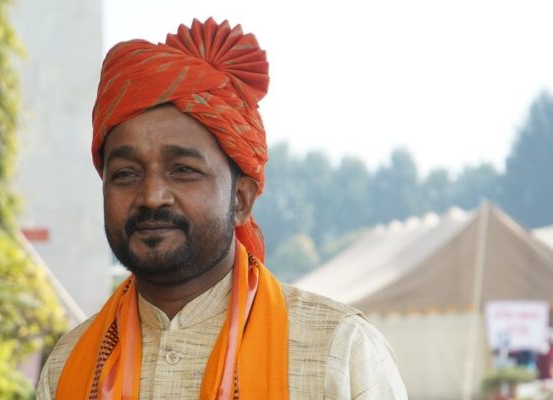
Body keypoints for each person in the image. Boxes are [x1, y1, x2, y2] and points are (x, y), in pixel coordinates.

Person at [37, 18, 407, 399]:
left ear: (241, 199)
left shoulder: (339, 351)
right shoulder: (68, 365)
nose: (152, 196)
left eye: (183, 170)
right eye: (126, 174)